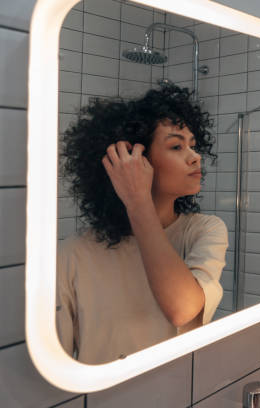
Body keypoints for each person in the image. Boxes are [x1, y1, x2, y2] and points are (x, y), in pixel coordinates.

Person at [56, 82, 228, 364]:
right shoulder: (72, 256)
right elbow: (57, 366)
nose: (195, 156)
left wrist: (138, 202)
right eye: (176, 146)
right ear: (134, 160)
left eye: (193, 146)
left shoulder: (204, 230)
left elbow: (184, 310)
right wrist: (136, 198)